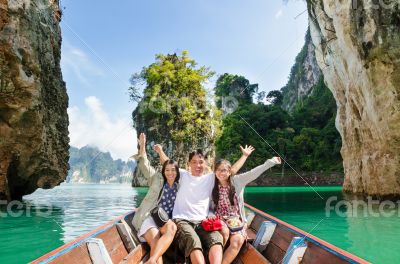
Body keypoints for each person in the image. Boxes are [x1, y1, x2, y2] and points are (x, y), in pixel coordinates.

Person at [154, 145, 255, 264]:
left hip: (203, 222)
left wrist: (244, 156)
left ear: (205, 163)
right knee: (194, 241)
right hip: (182, 220)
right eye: (194, 162)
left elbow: (230, 171)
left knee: (216, 240)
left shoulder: (211, 178)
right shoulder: (182, 175)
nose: (198, 165)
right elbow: (167, 163)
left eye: (201, 162)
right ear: (188, 164)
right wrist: (160, 151)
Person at [212, 156, 281, 264]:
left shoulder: (237, 181)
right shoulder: (211, 184)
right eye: (218, 170)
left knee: (238, 240)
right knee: (222, 234)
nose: (221, 173)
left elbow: (254, 172)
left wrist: (271, 162)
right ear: (215, 171)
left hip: (235, 219)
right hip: (218, 217)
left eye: (224, 170)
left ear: (230, 172)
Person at [130, 133, 179, 264]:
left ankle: (151, 261)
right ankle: (153, 261)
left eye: (173, 170)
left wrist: (161, 151)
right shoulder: (156, 178)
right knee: (156, 239)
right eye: (167, 170)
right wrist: (142, 146)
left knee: (172, 228)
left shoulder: (180, 185)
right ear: (163, 171)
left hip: (164, 219)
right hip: (148, 216)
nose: (170, 173)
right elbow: (144, 164)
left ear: (177, 171)